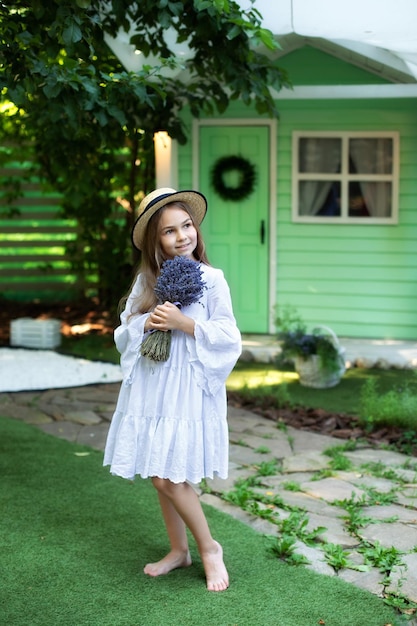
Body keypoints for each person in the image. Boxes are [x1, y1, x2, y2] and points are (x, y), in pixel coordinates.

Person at [103, 187, 241, 592]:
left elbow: (229, 336)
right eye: (169, 231)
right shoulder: (147, 279)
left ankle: (209, 547)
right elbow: (125, 328)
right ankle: (178, 551)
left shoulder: (212, 279)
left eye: (187, 226)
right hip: (153, 389)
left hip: (187, 390)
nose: (182, 236)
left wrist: (185, 324)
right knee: (159, 473)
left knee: (169, 477)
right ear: (155, 240)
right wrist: (146, 322)